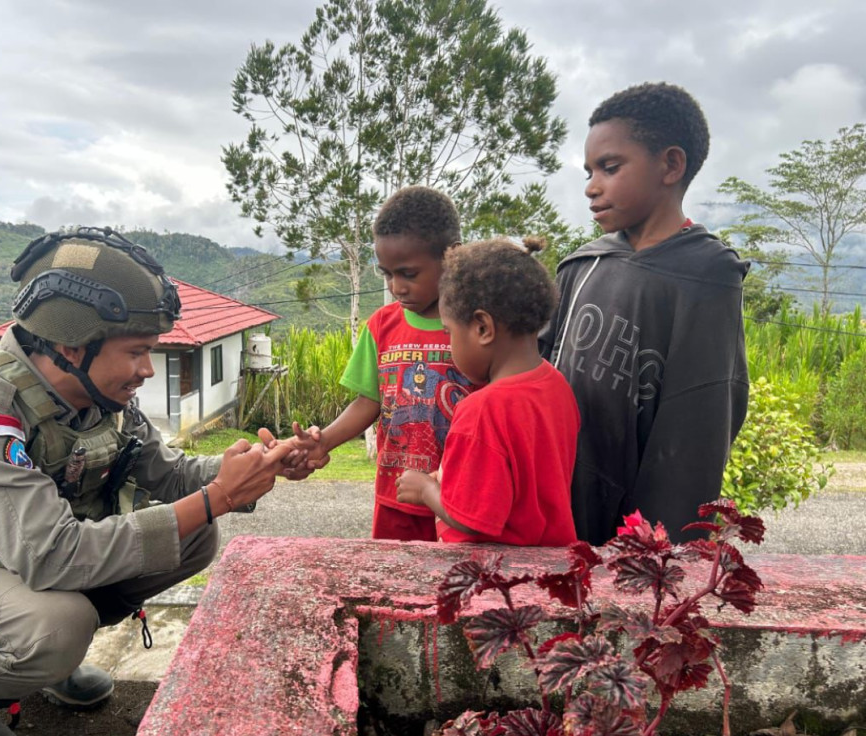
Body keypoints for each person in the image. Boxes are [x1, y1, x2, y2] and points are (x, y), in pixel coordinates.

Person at [0, 227, 298, 736]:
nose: (147, 370)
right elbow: (51, 556)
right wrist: (217, 497)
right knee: (59, 624)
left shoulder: (96, 398)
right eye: (136, 352)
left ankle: (35, 662)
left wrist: (252, 469)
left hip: (12, 567)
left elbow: (170, 473)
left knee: (192, 533)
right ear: (70, 347)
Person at [538, 82, 749, 545]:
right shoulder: (583, 264)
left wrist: (656, 547)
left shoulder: (706, 276)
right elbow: (537, 372)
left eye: (610, 168)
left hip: (635, 529)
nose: (592, 187)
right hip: (554, 498)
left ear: (671, 165)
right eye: (589, 171)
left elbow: (696, 428)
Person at [294, 186, 478, 541]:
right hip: (395, 498)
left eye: (409, 274)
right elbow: (369, 401)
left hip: (458, 503)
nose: (397, 287)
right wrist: (324, 441)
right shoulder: (381, 326)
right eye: (387, 274)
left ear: (451, 257)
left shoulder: (476, 327)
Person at [395, 237, 579, 546]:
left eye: (449, 332)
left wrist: (426, 490)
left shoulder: (483, 410)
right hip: (550, 561)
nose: (450, 344)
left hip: (493, 576)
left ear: (483, 328)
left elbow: (473, 520)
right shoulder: (557, 385)